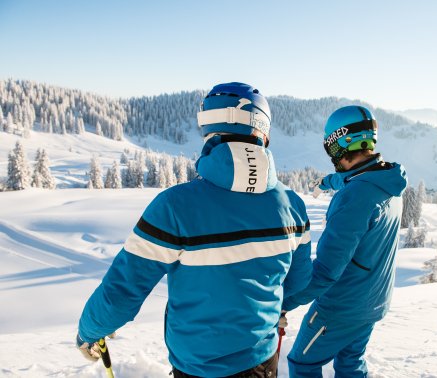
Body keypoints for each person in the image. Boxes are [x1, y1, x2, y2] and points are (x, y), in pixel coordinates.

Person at [76, 82, 313, 377]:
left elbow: (123, 289)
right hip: (263, 361)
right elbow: (300, 280)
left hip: (200, 368)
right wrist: (272, 310)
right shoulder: (292, 205)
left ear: (209, 130)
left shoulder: (175, 207)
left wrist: (90, 330)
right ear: (262, 131)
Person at [281, 105, 407, 377]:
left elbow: (326, 271)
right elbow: (359, 180)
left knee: (303, 363)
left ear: (338, 144)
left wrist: (282, 302)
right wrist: (329, 182)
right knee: (350, 363)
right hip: (372, 302)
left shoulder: (352, 199)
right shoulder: (388, 181)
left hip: (340, 308)